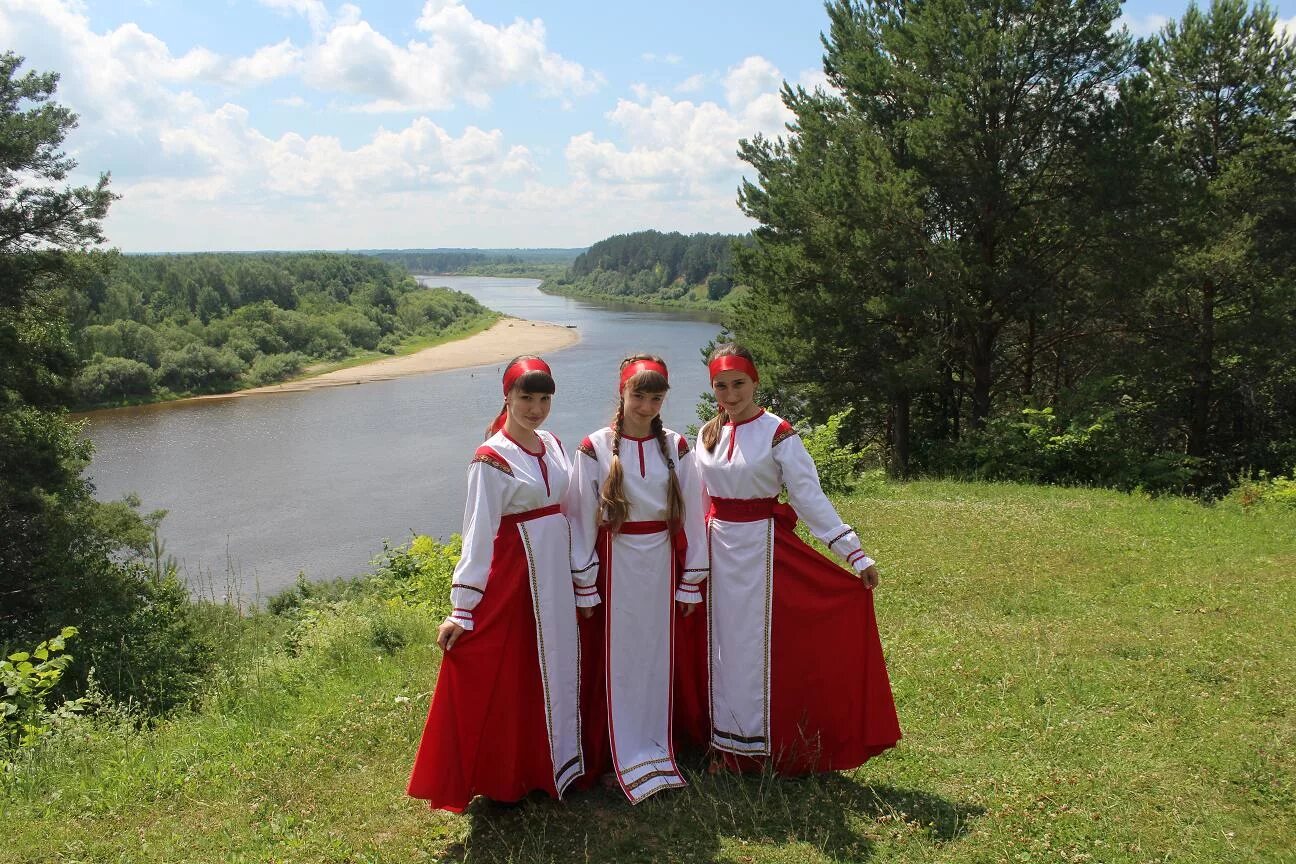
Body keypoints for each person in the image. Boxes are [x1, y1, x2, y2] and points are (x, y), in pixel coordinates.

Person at [691, 343, 901, 774]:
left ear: (756, 382)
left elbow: (809, 499)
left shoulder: (778, 434)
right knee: (718, 648)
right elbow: (696, 498)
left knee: (757, 649)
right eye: (721, 386)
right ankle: (722, 742)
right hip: (714, 551)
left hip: (762, 552)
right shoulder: (708, 432)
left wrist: (854, 554)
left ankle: (760, 749)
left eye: (738, 384)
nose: (730, 395)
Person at [407, 356, 585, 812]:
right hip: (514, 580)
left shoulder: (554, 444)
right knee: (511, 675)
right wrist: (462, 608)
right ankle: (506, 778)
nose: (535, 407)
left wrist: (584, 574)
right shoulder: (490, 458)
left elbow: (571, 509)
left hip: (555, 578)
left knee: (551, 669)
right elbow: (478, 532)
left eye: (544, 398)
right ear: (506, 397)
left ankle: (551, 765)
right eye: (526, 397)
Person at [565, 355, 709, 803]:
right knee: (618, 658)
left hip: (662, 565)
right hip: (615, 564)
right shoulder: (594, 447)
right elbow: (580, 518)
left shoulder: (678, 446)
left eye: (655, 397)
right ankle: (615, 751)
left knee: (656, 656)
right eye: (638, 395)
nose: (646, 406)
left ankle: (658, 742)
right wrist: (585, 580)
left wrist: (692, 579)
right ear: (622, 393)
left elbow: (695, 515)